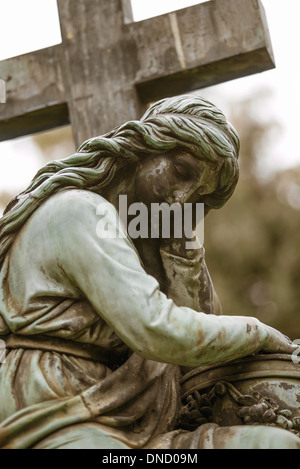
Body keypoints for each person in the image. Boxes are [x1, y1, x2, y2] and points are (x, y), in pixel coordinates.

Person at [0, 95, 298, 449]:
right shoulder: (78, 212)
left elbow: (197, 360)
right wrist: (255, 332)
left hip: (130, 413)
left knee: (273, 443)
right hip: (56, 409)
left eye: (199, 195)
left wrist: (181, 250)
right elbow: (157, 329)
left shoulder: (143, 235)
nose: (181, 199)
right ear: (145, 147)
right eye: (182, 172)